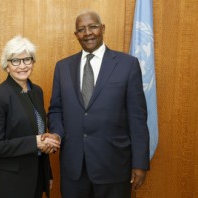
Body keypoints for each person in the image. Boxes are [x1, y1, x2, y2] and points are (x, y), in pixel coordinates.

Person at [47, 10, 150, 198]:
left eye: (93, 26)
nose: (88, 33)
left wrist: (140, 163)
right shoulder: (63, 67)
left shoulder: (128, 64)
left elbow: (138, 118)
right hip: (74, 168)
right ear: (76, 35)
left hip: (114, 166)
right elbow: (56, 110)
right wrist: (56, 133)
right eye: (81, 29)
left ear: (102, 28)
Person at [0, 35, 60, 198]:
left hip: (36, 178)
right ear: (7, 66)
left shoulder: (37, 91)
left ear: (33, 62)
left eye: (27, 59)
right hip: (9, 184)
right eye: (15, 61)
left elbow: (41, 132)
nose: (22, 66)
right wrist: (36, 142)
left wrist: (47, 174)